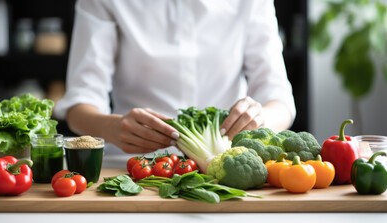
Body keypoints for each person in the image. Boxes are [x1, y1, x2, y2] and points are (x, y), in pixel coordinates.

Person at [54, 0, 296, 161]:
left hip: (226, 166)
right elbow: (79, 104)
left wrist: (258, 118)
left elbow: (279, 99)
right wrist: (114, 128)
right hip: (132, 165)